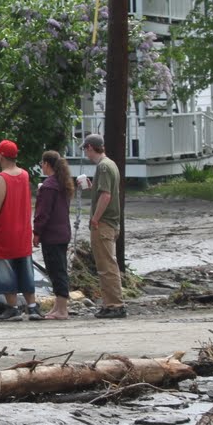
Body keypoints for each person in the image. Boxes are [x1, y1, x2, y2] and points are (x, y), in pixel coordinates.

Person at [0, 139, 39, 321]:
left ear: (1, 156)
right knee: (24, 267)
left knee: (5, 270)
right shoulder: (24, 175)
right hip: (22, 230)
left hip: (3, 232)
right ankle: (32, 307)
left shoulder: (1, 179)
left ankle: (12, 307)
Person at [83, 134, 124, 318]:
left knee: (106, 265)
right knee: (106, 264)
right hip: (111, 222)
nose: (85, 152)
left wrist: (95, 218)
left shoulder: (104, 167)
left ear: (90, 147)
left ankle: (115, 304)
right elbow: (104, 191)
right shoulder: (111, 164)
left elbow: (106, 195)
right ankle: (109, 303)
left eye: (85, 148)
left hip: (105, 222)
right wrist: (92, 187)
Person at [34, 150, 75, 319]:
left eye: (42, 163)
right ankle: (58, 307)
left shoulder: (49, 186)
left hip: (52, 235)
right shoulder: (62, 183)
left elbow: (43, 213)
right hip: (63, 232)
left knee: (56, 270)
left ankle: (62, 309)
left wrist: (36, 232)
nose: (41, 166)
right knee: (59, 268)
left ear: (46, 164)